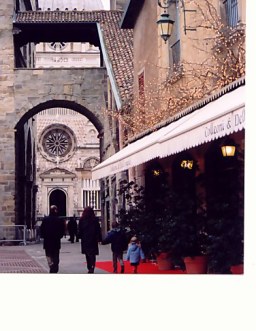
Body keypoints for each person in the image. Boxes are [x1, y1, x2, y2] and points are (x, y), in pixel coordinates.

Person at [40, 205, 65, 273]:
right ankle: (55, 267)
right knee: (56, 255)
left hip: (47, 241)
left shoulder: (45, 219)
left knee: (48, 255)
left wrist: (43, 236)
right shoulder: (59, 220)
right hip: (56, 240)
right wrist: (60, 236)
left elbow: (42, 229)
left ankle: (51, 266)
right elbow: (62, 230)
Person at [78, 207, 102, 273]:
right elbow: (98, 230)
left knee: (87, 254)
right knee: (92, 254)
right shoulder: (94, 219)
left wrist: (79, 236)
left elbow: (80, 230)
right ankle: (92, 266)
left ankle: (89, 266)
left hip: (85, 239)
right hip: (93, 239)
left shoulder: (82, 220)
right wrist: (99, 238)